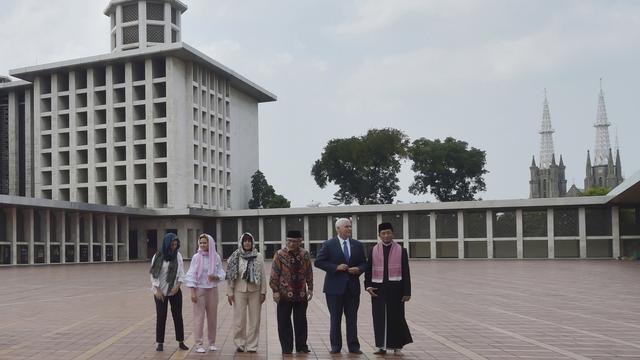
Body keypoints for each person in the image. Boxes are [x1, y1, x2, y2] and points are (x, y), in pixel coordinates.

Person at [314, 218, 366, 354]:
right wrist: (336, 267)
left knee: (352, 319)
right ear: (338, 229)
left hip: (352, 288)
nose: (349, 229)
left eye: (350, 226)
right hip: (334, 289)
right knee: (335, 318)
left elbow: (365, 263)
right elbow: (319, 262)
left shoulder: (358, 245)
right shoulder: (328, 244)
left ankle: (354, 347)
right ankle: (336, 346)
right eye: (346, 227)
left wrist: (359, 269)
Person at [365, 222, 413, 355]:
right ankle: (381, 346)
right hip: (378, 289)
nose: (386, 235)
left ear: (393, 233)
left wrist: (407, 292)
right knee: (379, 318)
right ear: (379, 235)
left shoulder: (401, 250)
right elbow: (368, 270)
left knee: (396, 317)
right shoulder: (373, 250)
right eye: (383, 233)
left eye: (389, 233)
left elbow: (406, 272)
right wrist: (368, 286)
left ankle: (397, 346)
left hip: (396, 290)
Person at [270, 230, 313, 354]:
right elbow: (274, 273)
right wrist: (275, 291)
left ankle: (301, 347)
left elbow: (309, 272)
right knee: (283, 321)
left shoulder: (305, 254)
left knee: (301, 321)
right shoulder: (279, 254)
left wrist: (310, 288)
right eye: (289, 241)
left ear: (300, 241)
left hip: (301, 294)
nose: (291, 243)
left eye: (294, 241)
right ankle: (287, 348)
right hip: (284, 294)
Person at [184, 233, 226, 353]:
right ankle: (199, 344)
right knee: (199, 318)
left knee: (212, 318)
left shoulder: (216, 257)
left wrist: (216, 277)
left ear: (210, 243)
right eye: (201, 242)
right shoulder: (196, 257)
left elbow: (221, 273)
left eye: (205, 242)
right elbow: (191, 273)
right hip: (199, 290)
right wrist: (192, 292)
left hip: (212, 290)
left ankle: (212, 342)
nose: (202, 245)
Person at [225, 232, 267, 353]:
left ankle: (252, 345)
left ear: (253, 242)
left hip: (255, 291)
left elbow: (263, 275)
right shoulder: (235, 256)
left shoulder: (258, 256)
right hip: (239, 291)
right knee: (239, 319)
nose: (247, 243)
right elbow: (231, 275)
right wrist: (230, 292)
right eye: (245, 241)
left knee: (255, 320)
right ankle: (240, 343)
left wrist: (263, 292)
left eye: (249, 241)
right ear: (241, 243)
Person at [149, 232, 189, 352]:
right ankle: (160, 342)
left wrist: (178, 286)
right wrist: (158, 290)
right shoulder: (158, 255)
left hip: (175, 290)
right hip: (160, 291)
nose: (174, 247)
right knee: (161, 316)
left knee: (178, 316)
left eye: (176, 245)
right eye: (172, 244)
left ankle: (181, 341)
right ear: (167, 244)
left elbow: (181, 272)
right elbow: (154, 274)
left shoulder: (178, 256)